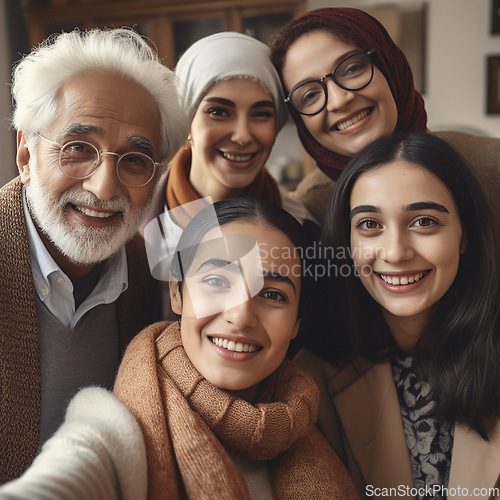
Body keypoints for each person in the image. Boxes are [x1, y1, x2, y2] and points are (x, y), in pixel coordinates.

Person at [0, 198, 359, 500]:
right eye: (217, 281)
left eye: (273, 295)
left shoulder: (322, 424)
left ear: (297, 321)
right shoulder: (114, 424)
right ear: (177, 291)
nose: (241, 316)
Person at [0, 27, 188, 484]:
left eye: (135, 160)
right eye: (78, 149)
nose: (104, 187)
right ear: (26, 155)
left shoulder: (149, 271)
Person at [296, 133, 500, 498]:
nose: (395, 252)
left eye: (423, 222)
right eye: (370, 225)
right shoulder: (309, 382)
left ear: (464, 235)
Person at [269, 7, 500, 225]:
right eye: (309, 95)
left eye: (351, 69)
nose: (339, 100)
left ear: (390, 66)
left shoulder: (493, 166)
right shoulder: (315, 202)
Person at [143, 31, 317, 318]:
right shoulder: (132, 226)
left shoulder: (305, 232)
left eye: (261, 114)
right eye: (219, 112)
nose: (242, 135)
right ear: (187, 119)